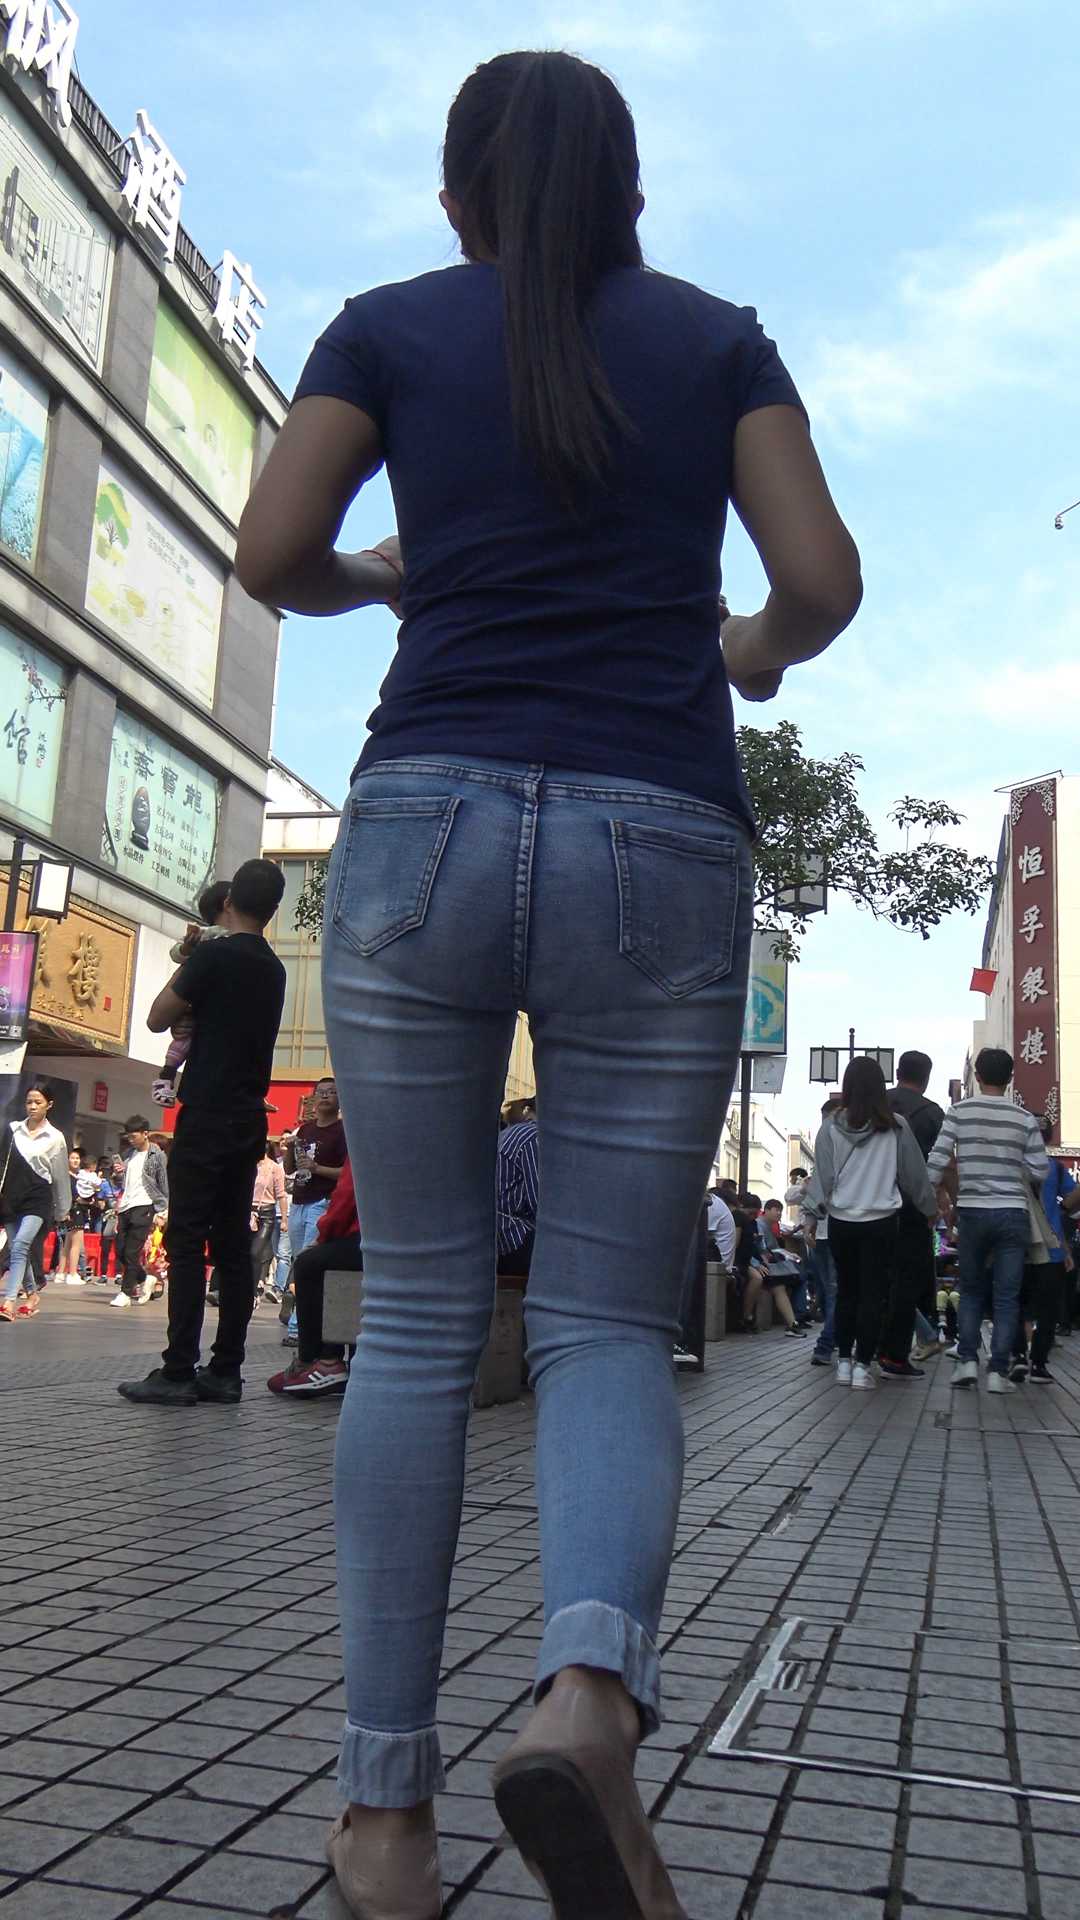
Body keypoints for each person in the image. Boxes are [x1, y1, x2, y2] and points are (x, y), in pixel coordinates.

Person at [236, 46, 860, 1917]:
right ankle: (589, 1698)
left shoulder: (386, 327)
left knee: (421, 1319)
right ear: (632, 193)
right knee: (598, 1318)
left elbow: (271, 552)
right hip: (656, 828)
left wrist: (383, 579)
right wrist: (749, 647)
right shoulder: (718, 342)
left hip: (423, 820)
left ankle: (384, 1819)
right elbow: (821, 577)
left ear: (457, 200)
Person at [118, 859, 286, 1405]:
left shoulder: (213, 956)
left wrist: (189, 960)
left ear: (229, 901)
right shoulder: (275, 969)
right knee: (233, 1243)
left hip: (207, 1111)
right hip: (249, 1118)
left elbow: (157, 1017)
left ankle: (177, 1370)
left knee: (188, 1239)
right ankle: (226, 1370)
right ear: (274, 909)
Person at [803, 1058, 937, 1389]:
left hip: (841, 1221)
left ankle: (843, 1363)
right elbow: (915, 1177)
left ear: (847, 1087)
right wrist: (930, 1210)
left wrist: (810, 1216)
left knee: (846, 1292)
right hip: (882, 1222)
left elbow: (822, 1177)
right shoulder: (895, 1126)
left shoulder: (830, 1127)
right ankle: (863, 1367)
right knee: (873, 1295)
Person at [927, 1047, 1050, 1395]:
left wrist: (931, 1197)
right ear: (1010, 1078)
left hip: (972, 1210)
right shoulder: (1023, 1118)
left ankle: (967, 1361)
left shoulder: (959, 1112)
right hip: (1012, 1212)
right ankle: (997, 1371)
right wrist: (1012, 1165)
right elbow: (1040, 1170)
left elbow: (938, 1159)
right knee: (1007, 1296)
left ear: (977, 1077)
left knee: (970, 1290)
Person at [268, 1159, 363, 1397]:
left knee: (309, 1264)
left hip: (368, 1235)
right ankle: (343, 1361)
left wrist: (322, 1237)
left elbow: (347, 1195)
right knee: (334, 1263)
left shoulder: (365, 1144)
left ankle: (319, 1360)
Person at [878, 1050, 945, 1378]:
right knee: (907, 1282)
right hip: (913, 1208)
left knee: (874, 1279)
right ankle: (895, 1354)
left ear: (897, 1072)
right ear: (926, 1078)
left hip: (871, 1204)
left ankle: (865, 1350)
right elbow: (940, 1164)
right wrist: (941, 1205)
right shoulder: (932, 1113)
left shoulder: (875, 1104)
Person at [1009, 1116, 1080, 1385]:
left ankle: (1018, 1355)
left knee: (1015, 1302)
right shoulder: (1056, 1169)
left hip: (1018, 1243)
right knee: (1048, 1307)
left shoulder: (1012, 1166)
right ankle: (1039, 1363)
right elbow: (1076, 1194)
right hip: (1051, 1247)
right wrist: (1061, 1212)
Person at [151, 882, 231, 1108]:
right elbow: (176, 953)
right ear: (227, 904)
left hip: (199, 1007)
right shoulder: (211, 936)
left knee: (183, 1038)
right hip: (195, 1005)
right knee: (183, 1037)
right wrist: (187, 948)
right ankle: (166, 1076)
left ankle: (166, 1076)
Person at [281, 1077, 348, 1345]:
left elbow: (348, 1172)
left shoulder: (342, 1131)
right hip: (299, 1200)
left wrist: (317, 1168)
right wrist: (290, 1149)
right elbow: (290, 1168)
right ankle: (302, 1323)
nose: (326, 1096)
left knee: (308, 1261)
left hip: (323, 1201)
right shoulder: (305, 1129)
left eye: (332, 1092)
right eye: (321, 1092)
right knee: (299, 1262)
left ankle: (298, 1328)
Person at [0, 1083, 72, 1321]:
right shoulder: (13, 1129)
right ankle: (32, 1295)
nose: (32, 1106)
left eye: (38, 1102)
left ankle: (8, 1302)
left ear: (49, 1105)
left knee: (21, 1244)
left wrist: (63, 1209)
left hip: (38, 1198)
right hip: (11, 1196)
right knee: (17, 1248)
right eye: (29, 1102)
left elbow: (60, 1175)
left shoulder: (55, 1137)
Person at [110, 1119, 169, 1307]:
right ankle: (144, 1278)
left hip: (145, 1205)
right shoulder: (129, 1153)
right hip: (125, 1205)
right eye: (128, 1137)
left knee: (131, 1251)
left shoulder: (156, 1155)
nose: (131, 1140)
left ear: (145, 1134)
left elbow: (163, 1182)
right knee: (120, 1250)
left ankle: (125, 1293)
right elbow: (123, 1181)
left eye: (134, 1136)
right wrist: (119, 1173)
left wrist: (163, 1210)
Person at [805, 1096, 842, 1368]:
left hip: (826, 1227)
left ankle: (827, 1343)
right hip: (843, 1224)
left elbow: (821, 1180)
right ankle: (831, 1341)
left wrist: (810, 1218)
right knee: (837, 1290)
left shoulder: (827, 1133)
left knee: (833, 1290)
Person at [497, 1105, 539, 1276]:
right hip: (513, 1236)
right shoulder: (533, 1137)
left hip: (496, 1236)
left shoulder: (508, 1133)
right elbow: (540, 1204)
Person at [59, 1151, 101, 1285]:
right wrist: (89, 1201)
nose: (75, 1160)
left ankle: (61, 1272)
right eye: (72, 1158)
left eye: (77, 1158)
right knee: (77, 1244)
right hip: (75, 1209)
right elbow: (76, 1197)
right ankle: (72, 1273)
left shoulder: (79, 1176)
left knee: (68, 1243)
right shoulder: (71, 1177)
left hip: (74, 1209)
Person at [251, 1145, 288, 1298]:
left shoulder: (274, 1168)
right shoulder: (249, 1166)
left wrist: (284, 1219)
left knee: (255, 1252)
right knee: (244, 1252)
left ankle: (253, 1291)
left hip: (266, 1213)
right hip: (248, 1212)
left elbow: (281, 1195)